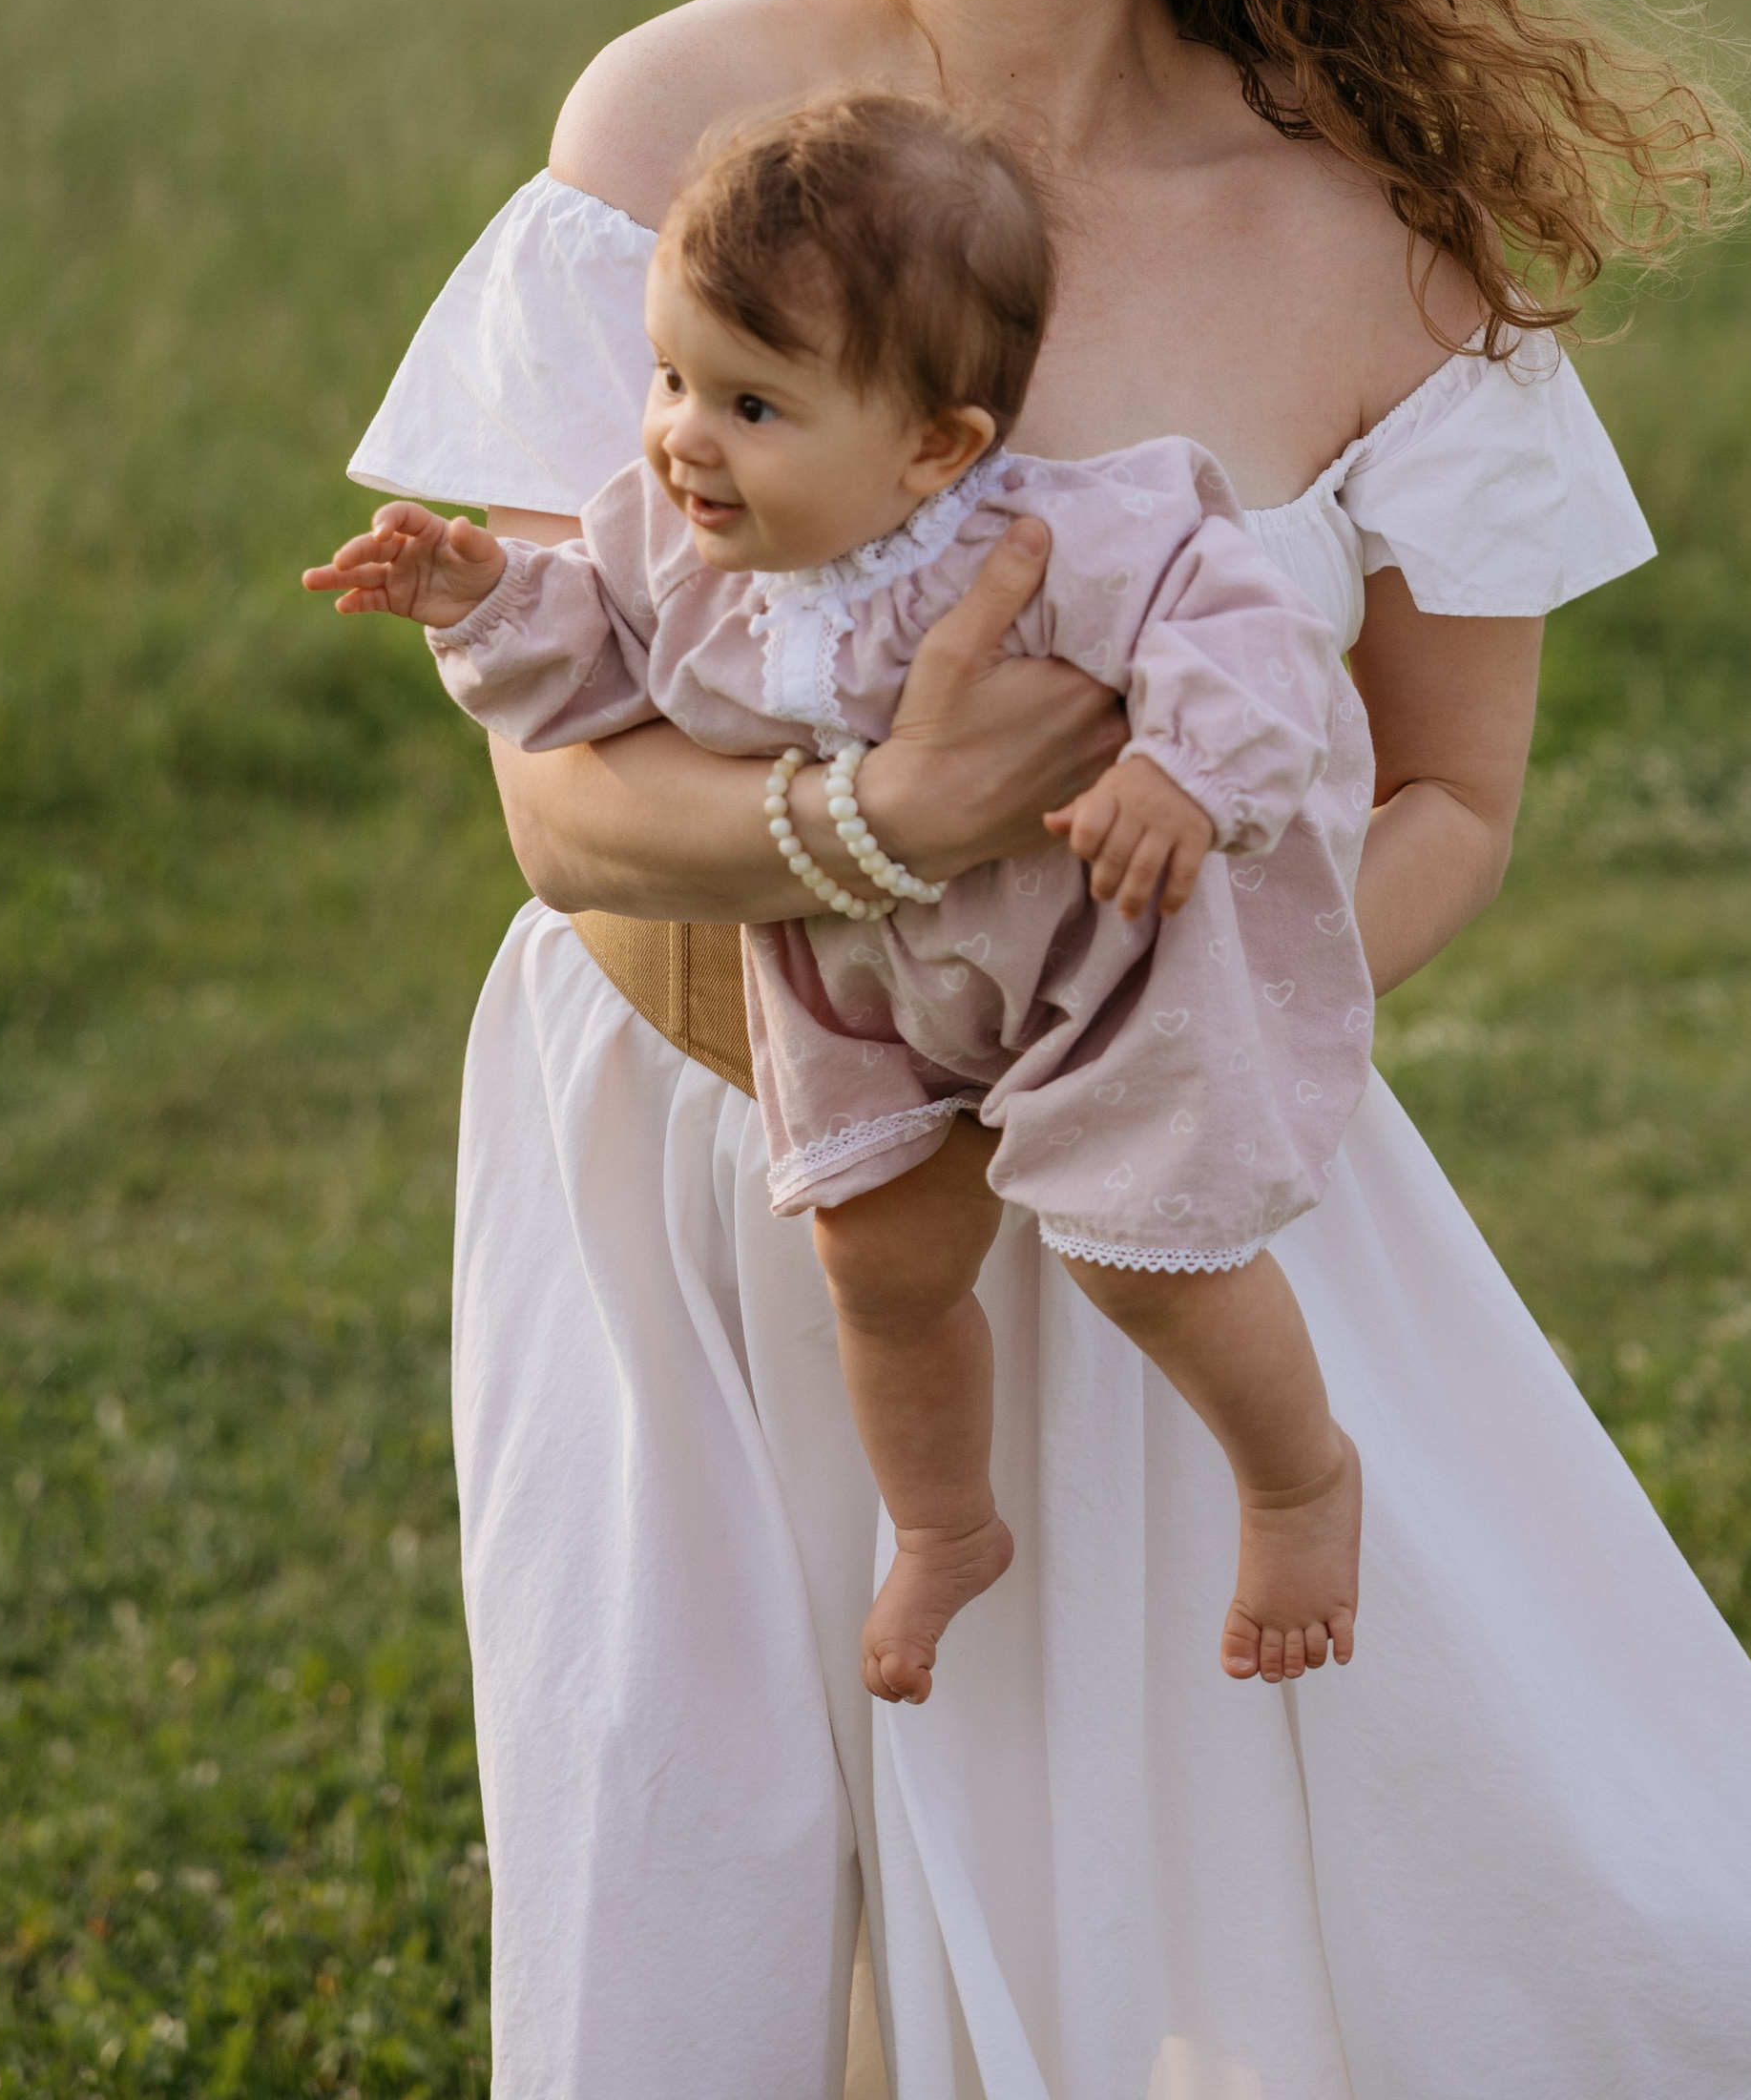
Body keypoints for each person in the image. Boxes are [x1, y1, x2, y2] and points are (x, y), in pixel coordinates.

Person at [347, 0, 1751, 2099]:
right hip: (703, 1156)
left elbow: (1455, 802)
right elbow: (559, 790)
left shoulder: (1374, 238)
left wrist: (1159, 1038)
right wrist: (883, 830)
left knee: (1168, 1918)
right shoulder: (677, 124)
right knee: (720, 1882)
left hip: (1158, 1188)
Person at [310, 91, 1375, 1707]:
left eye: (751, 403)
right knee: (874, 1262)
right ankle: (946, 1526)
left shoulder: (1064, 534)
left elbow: (1243, 631)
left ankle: (1298, 1482)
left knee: (1148, 1256)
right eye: (671, 377)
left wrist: (1184, 770)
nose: (681, 436)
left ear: (934, 446)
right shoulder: (665, 546)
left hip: (1089, 964)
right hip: (854, 987)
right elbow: (589, 672)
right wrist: (483, 599)